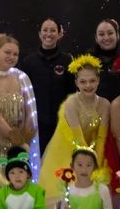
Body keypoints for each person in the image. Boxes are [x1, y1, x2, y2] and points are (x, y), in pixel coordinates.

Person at [39, 56, 109, 200]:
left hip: (93, 146)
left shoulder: (105, 104)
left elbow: (102, 138)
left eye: (92, 81)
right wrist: (88, 164)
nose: (88, 85)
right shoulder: (72, 103)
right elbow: (78, 139)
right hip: (68, 148)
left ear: (98, 81)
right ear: (76, 82)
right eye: (83, 82)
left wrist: (98, 166)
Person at [0, 34, 37, 179]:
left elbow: (29, 112)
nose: (12, 57)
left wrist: (25, 139)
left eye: (15, 54)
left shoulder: (21, 77)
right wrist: (17, 140)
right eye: (7, 52)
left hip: (19, 143)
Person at [23, 18, 70, 149]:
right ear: (39, 34)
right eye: (45, 30)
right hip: (36, 123)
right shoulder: (29, 62)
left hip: (60, 122)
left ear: (60, 34)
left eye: (53, 30)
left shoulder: (67, 60)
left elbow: (72, 93)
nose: (48, 34)